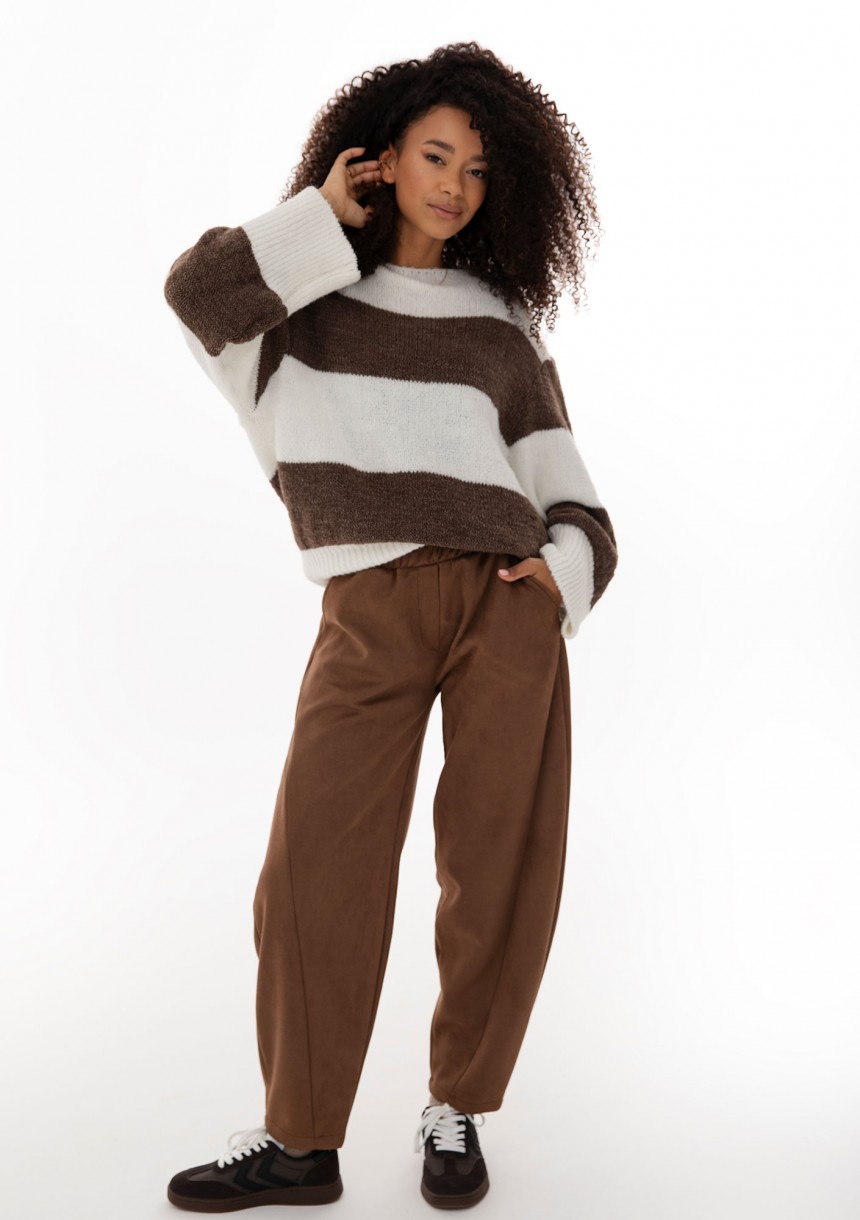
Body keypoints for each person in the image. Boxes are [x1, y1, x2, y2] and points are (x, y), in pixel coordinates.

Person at [162, 40, 618, 1212]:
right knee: (313, 866)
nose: (454, 184)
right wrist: (322, 212)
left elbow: (571, 495)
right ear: (380, 158)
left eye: (477, 167)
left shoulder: (499, 324)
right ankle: (299, 1140)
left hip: (501, 604)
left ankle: (457, 1105)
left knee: (496, 862)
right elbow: (195, 294)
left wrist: (559, 573)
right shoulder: (294, 307)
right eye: (433, 155)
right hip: (367, 606)